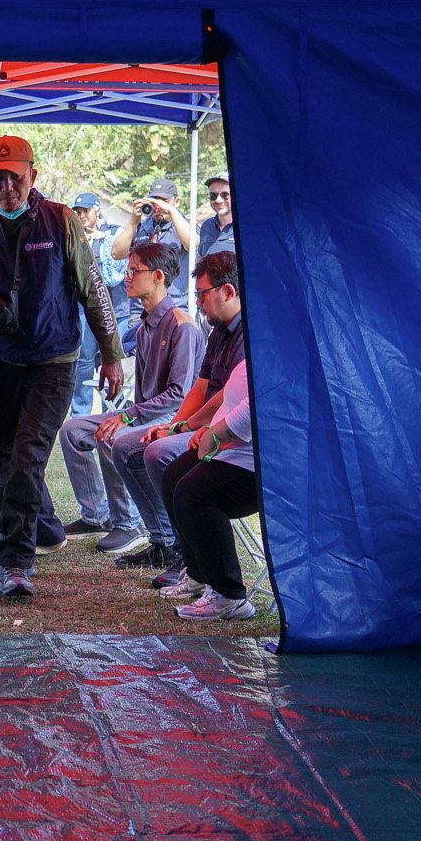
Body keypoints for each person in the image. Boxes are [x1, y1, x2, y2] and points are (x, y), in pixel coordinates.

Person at [0, 134, 123, 598]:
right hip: (2, 359)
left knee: (27, 457)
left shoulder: (61, 219)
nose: (7, 187)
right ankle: (23, 537)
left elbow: (93, 290)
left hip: (54, 361)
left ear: (33, 176)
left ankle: (16, 563)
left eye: (15, 177)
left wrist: (111, 355)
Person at [58, 242, 205, 554]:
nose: (126, 278)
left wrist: (128, 415)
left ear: (158, 276)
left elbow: (178, 395)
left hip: (176, 417)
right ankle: (95, 515)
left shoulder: (182, 325)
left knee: (113, 436)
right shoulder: (144, 327)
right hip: (146, 411)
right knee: (72, 431)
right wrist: (128, 411)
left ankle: (128, 524)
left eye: (134, 271)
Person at [137, 250, 248, 591]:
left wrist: (203, 430)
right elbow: (206, 390)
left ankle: (226, 591)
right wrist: (179, 427)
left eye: (202, 293)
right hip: (218, 432)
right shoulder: (220, 331)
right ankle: (194, 569)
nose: (197, 301)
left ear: (228, 291)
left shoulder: (251, 334)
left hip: (241, 445)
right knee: (172, 472)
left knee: (178, 476)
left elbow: (238, 403)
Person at [159, 357, 260, 621]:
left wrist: (217, 433)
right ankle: (199, 575)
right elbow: (228, 395)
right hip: (232, 449)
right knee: (173, 477)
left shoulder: (277, 348)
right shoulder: (251, 344)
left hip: (262, 463)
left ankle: (229, 596)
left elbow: (258, 403)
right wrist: (205, 426)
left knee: (194, 495)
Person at [67, 192, 130, 418]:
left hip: (117, 311)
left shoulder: (114, 232)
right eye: (77, 211)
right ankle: (80, 415)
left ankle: (112, 415)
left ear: (98, 210)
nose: (81, 215)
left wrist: (104, 239)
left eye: (86, 211)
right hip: (85, 312)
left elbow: (122, 262)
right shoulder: (74, 237)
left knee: (113, 361)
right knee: (83, 363)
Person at [111, 177, 193, 315]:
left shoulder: (183, 225)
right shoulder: (143, 226)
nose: (158, 206)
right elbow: (116, 253)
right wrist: (133, 221)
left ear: (177, 201)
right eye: (154, 200)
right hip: (141, 308)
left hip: (174, 305)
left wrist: (171, 211)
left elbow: (192, 245)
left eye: (164, 200)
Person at [198, 170, 236, 262]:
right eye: (213, 195)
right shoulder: (206, 226)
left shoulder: (247, 227)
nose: (218, 200)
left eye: (225, 195)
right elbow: (200, 257)